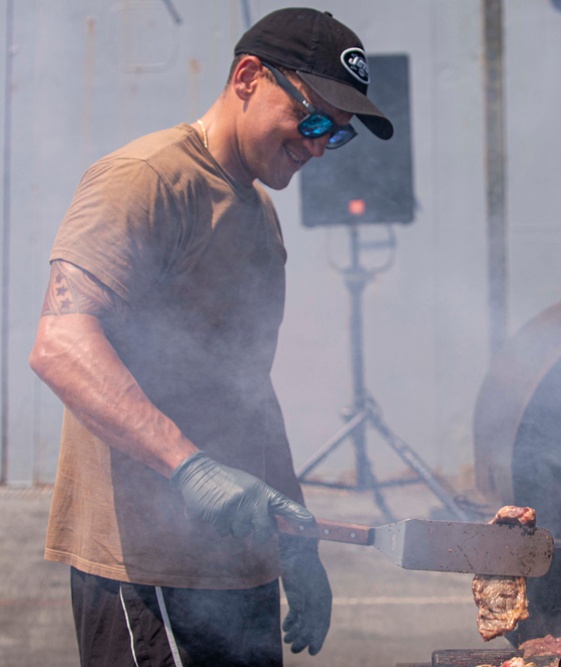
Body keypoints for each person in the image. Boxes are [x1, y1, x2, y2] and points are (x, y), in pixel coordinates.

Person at [28, 8, 393, 665]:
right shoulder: (145, 179)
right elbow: (61, 344)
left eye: (336, 138)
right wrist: (189, 466)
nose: (316, 146)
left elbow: (251, 391)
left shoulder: (261, 216)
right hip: (148, 568)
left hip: (239, 567)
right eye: (312, 120)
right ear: (248, 76)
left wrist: (296, 543)